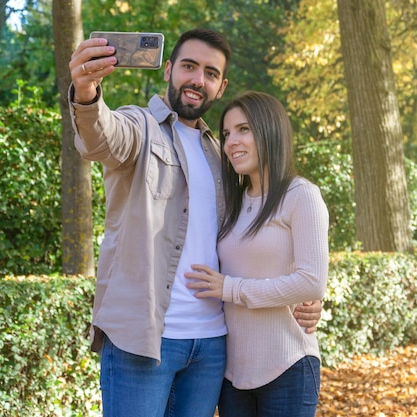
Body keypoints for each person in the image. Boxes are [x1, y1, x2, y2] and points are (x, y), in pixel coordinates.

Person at [67, 28, 321, 417]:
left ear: (220, 87)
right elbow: (101, 137)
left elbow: (255, 244)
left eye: (210, 73)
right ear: (168, 69)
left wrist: (304, 296)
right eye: (189, 66)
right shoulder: (139, 126)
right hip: (145, 341)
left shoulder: (223, 157)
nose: (197, 79)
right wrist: (86, 91)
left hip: (213, 346)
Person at [185, 91, 329, 417]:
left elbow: (311, 281)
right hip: (232, 375)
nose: (231, 141)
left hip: (287, 366)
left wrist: (231, 288)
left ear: (270, 130)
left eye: (244, 129)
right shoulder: (233, 203)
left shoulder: (300, 195)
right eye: (226, 133)